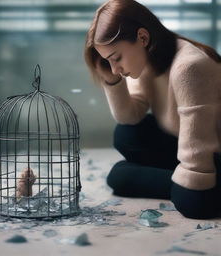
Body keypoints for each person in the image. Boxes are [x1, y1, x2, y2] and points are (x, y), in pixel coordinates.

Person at [84, 0, 221, 219]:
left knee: (191, 202)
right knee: (125, 135)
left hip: (210, 156)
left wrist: (189, 188)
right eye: (108, 61)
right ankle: (176, 180)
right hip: (182, 142)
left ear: (143, 37)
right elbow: (129, 116)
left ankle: (199, 187)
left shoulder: (189, 67)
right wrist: (112, 81)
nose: (115, 69)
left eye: (116, 58)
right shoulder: (146, 61)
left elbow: (199, 154)